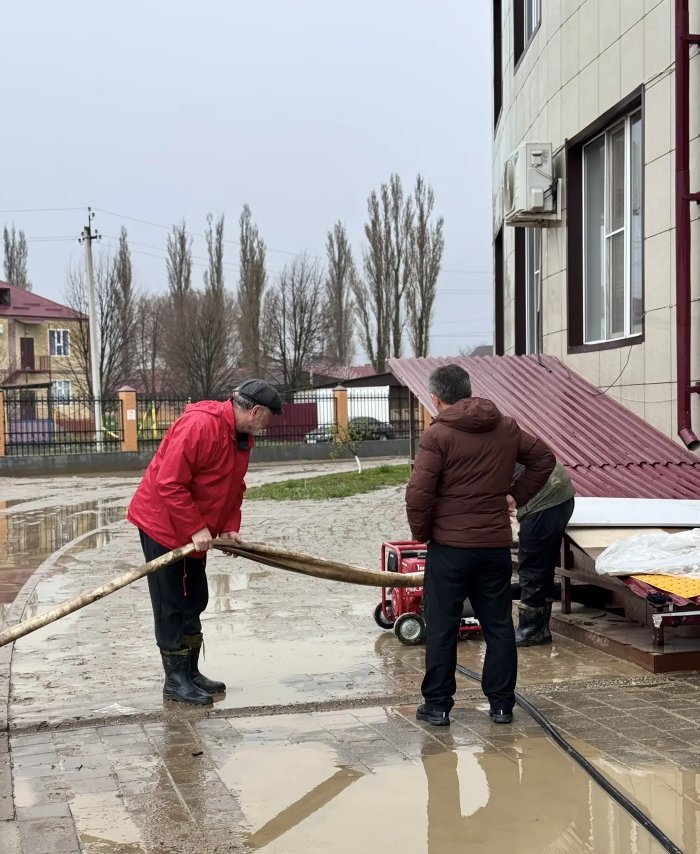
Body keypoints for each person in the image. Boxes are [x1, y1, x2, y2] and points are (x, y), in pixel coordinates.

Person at [405, 365, 555, 727]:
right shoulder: (506, 426)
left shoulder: (437, 435)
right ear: (469, 391)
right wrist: (515, 495)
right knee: (499, 625)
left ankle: (437, 707)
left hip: (449, 548)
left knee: (441, 627)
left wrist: (423, 535)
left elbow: (417, 495)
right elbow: (544, 459)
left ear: (435, 398)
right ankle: (502, 706)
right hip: (494, 547)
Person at [127, 380, 283, 706]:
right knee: (171, 603)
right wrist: (196, 527)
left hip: (196, 533)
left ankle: (190, 672)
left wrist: (227, 527)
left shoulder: (242, 439)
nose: (267, 426)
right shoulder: (199, 426)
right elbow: (169, 483)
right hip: (162, 524)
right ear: (255, 411)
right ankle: (175, 682)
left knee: (194, 598)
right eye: (268, 418)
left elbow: (233, 486)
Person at [512, 461, 575, 646]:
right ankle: (540, 630)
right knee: (543, 565)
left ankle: (530, 630)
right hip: (556, 492)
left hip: (545, 496)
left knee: (532, 565)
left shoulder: (468, 452)